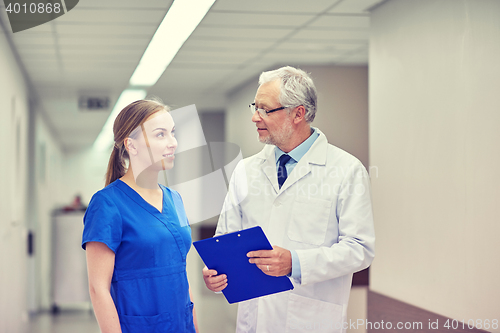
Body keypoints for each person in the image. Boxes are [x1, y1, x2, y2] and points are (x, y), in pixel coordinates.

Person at [202, 66, 375, 332]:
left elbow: (359, 249)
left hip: (310, 320)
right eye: (254, 107)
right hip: (254, 320)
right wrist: (216, 274)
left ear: (298, 113)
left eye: (265, 109)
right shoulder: (246, 170)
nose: (255, 117)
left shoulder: (346, 170)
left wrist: (295, 263)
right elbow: (226, 239)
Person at [82, 99, 198, 333]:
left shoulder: (175, 199)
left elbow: (180, 273)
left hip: (181, 324)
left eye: (172, 133)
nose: (172, 143)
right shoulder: (107, 204)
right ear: (131, 145)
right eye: (160, 135)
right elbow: (98, 288)